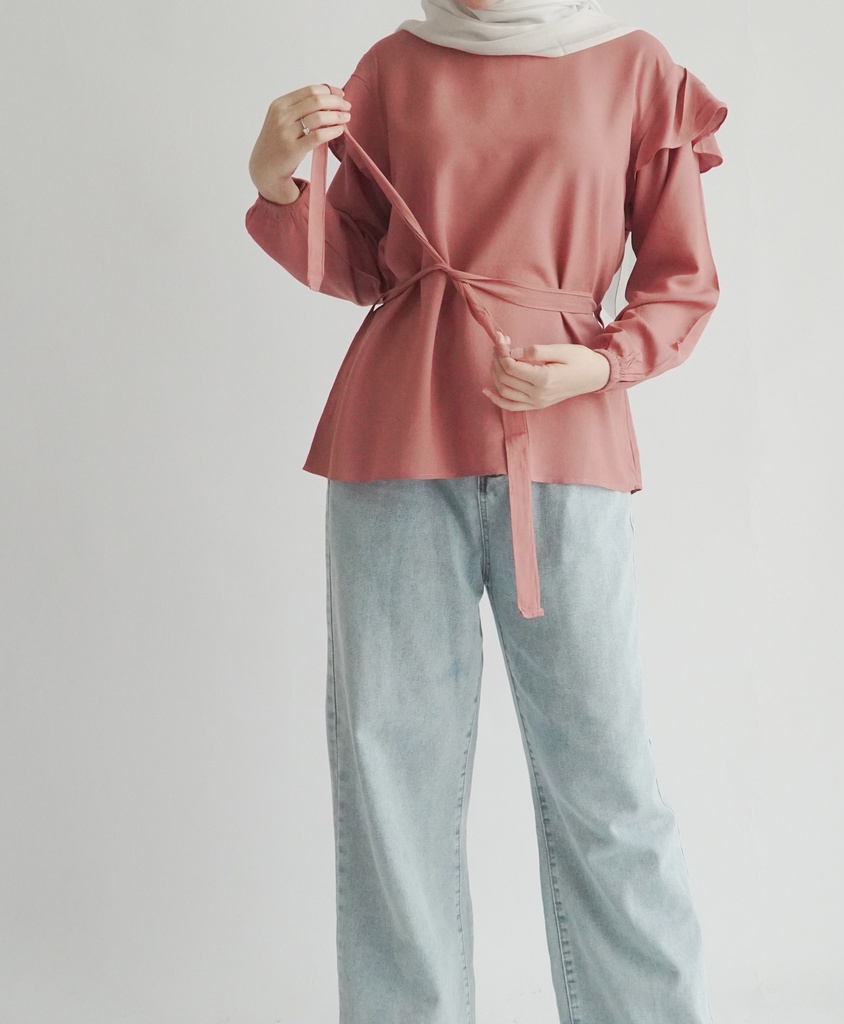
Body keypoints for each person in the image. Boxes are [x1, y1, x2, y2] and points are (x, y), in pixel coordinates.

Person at [244, 1, 728, 1021]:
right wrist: (279, 180)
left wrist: (600, 364)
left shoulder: (634, 67)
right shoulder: (395, 64)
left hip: (566, 441)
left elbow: (681, 278)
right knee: (391, 775)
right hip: (394, 434)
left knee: (606, 777)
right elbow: (363, 262)